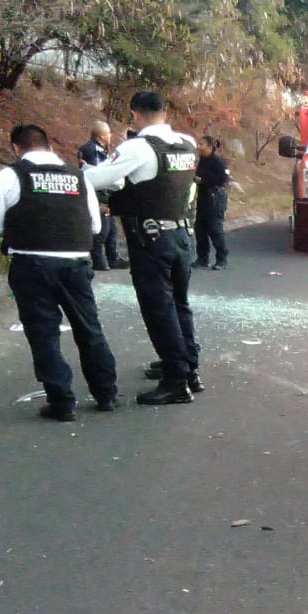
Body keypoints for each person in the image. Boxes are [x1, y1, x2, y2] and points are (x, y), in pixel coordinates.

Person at [0, 124, 118, 421]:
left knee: (44, 333)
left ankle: (62, 402)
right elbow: (94, 227)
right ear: (49, 146)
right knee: (89, 328)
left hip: (32, 265)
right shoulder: (79, 177)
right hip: (76, 263)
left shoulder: (10, 176)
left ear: (17, 148)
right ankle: (106, 393)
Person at [83, 91, 202, 405]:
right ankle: (189, 368)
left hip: (152, 241)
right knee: (179, 303)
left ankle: (176, 380)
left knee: (159, 309)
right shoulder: (187, 144)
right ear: (165, 111)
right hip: (181, 235)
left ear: (135, 114)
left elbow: (97, 178)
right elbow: (163, 189)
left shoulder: (138, 147)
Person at [78, 121, 127, 271]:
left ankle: (113, 258)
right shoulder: (92, 149)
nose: (111, 136)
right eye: (108, 133)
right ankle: (99, 261)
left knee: (112, 230)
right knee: (101, 231)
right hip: (99, 194)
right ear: (101, 136)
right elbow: (97, 174)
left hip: (107, 194)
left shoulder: (102, 150)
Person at [193, 134, 229, 270]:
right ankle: (202, 258)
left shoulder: (218, 162)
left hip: (215, 199)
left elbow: (222, 179)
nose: (199, 147)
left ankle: (222, 259)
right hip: (203, 198)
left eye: (201, 144)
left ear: (210, 147)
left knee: (215, 229)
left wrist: (203, 180)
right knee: (200, 229)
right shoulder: (202, 160)